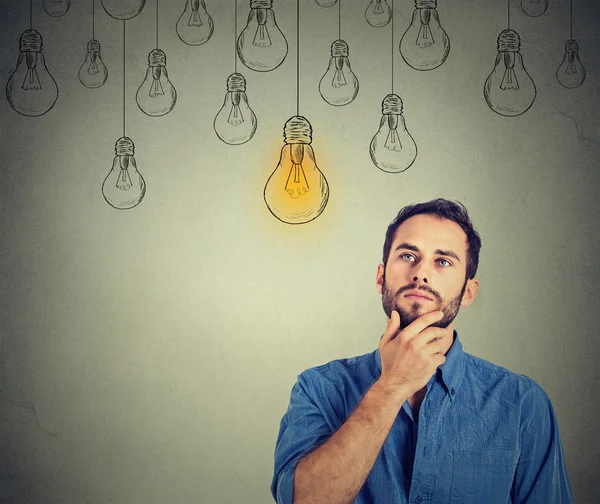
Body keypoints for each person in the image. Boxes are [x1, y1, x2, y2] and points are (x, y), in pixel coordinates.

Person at [270, 198, 574, 504]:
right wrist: (391, 387)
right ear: (380, 277)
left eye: (443, 261)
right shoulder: (318, 388)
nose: (420, 274)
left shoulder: (522, 403)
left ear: (468, 292)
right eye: (407, 255)